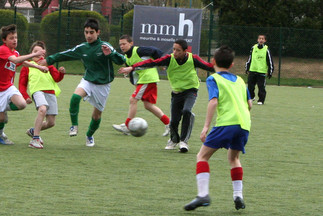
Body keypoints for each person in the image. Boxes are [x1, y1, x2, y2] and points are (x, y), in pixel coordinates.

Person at [184, 45, 252, 211]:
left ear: (213, 61)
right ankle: (238, 196)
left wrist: (206, 126)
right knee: (234, 158)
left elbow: (213, 101)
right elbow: (249, 104)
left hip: (226, 123)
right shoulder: (241, 80)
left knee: (202, 156)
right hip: (244, 124)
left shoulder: (213, 79)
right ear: (231, 64)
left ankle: (203, 195)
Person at [39, 18, 126, 147]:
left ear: (98, 32)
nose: (89, 35)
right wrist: (49, 60)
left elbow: (121, 60)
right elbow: (65, 54)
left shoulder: (105, 46)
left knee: (96, 116)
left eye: (92, 32)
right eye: (86, 32)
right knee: (75, 98)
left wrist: (110, 54)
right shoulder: (82, 48)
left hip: (103, 85)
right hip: (88, 80)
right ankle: (74, 125)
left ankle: (89, 135)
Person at [119, 39, 214, 153]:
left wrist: (221, 67)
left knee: (186, 111)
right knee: (173, 121)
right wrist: (132, 67)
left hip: (191, 90)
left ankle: (184, 142)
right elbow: (151, 63)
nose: (175, 52)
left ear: (185, 51)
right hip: (176, 92)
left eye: (178, 50)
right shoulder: (169, 59)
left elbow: (208, 66)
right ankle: (174, 140)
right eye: (173, 49)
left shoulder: (193, 58)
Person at [112, 35, 170, 136]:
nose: (122, 46)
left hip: (148, 78)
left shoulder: (139, 50)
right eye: (120, 44)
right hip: (143, 80)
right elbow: (133, 71)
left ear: (131, 43)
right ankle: (169, 124)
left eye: (124, 44)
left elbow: (155, 51)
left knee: (133, 100)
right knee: (148, 105)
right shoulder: (126, 57)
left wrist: (161, 63)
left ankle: (127, 126)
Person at [0, 24, 48, 145]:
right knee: (2, 119)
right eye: (11, 38)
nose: (14, 40)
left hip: (8, 87)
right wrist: (34, 54)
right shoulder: (3, 50)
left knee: (22, 104)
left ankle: (3, 108)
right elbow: (16, 60)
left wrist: (37, 66)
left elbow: (22, 62)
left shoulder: (15, 52)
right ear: (4, 40)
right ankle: (0, 134)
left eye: (15, 37)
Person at [19, 41, 65, 149]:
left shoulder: (48, 64)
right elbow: (22, 83)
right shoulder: (27, 65)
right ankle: (35, 139)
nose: (38, 55)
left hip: (51, 93)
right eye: (35, 52)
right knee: (42, 109)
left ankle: (33, 131)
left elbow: (56, 78)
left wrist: (61, 73)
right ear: (31, 53)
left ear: (44, 55)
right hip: (37, 91)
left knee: (51, 122)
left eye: (40, 53)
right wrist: (25, 96)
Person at [245, 34, 274, 105]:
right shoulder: (253, 48)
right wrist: (247, 68)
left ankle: (261, 100)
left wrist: (270, 71)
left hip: (261, 72)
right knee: (250, 86)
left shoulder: (266, 49)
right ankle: (251, 97)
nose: (261, 40)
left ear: (265, 40)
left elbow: (270, 61)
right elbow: (250, 58)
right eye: (259, 38)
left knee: (261, 87)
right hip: (252, 70)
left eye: (262, 39)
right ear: (257, 40)